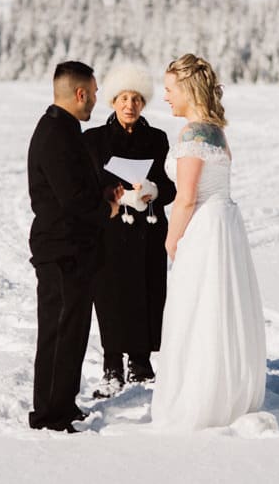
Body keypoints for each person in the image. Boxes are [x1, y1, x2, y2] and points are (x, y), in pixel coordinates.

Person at [150, 54, 266, 430]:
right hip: (226, 224)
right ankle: (227, 389)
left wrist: (169, 242)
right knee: (222, 308)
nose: (165, 97)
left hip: (204, 226)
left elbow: (185, 198)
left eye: (169, 89)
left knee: (196, 308)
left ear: (186, 88)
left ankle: (200, 397)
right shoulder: (217, 130)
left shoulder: (192, 134)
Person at [26, 61, 122, 433]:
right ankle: (49, 415)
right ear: (80, 93)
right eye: (95, 93)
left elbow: (77, 188)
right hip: (60, 250)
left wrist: (103, 192)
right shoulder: (55, 134)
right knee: (59, 331)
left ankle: (63, 403)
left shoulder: (66, 130)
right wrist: (108, 207)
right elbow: (72, 200)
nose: (97, 100)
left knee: (73, 331)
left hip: (74, 249)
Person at [82, 63, 177, 398]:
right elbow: (85, 187)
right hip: (111, 230)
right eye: (123, 98)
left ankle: (141, 362)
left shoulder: (157, 139)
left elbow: (170, 187)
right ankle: (111, 367)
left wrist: (153, 190)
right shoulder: (93, 140)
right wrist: (110, 195)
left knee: (148, 292)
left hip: (148, 231)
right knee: (110, 295)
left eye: (136, 98)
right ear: (112, 101)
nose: (130, 105)